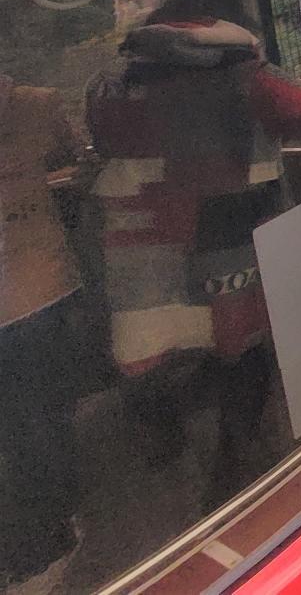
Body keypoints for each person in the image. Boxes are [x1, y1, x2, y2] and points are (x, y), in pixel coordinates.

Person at [86, 0, 301, 507]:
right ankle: (237, 480)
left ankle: (162, 467)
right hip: (229, 243)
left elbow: (102, 141)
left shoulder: (113, 84)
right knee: (241, 350)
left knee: (151, 352)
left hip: (138, 252)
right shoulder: (251, 79)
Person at [0, 73, 88, 582]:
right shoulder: (39, 105)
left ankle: (39, 527)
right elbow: (76, 162)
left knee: (19, 416)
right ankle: (56, 525)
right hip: (39, 282)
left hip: (28, 283)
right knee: (43, 408)